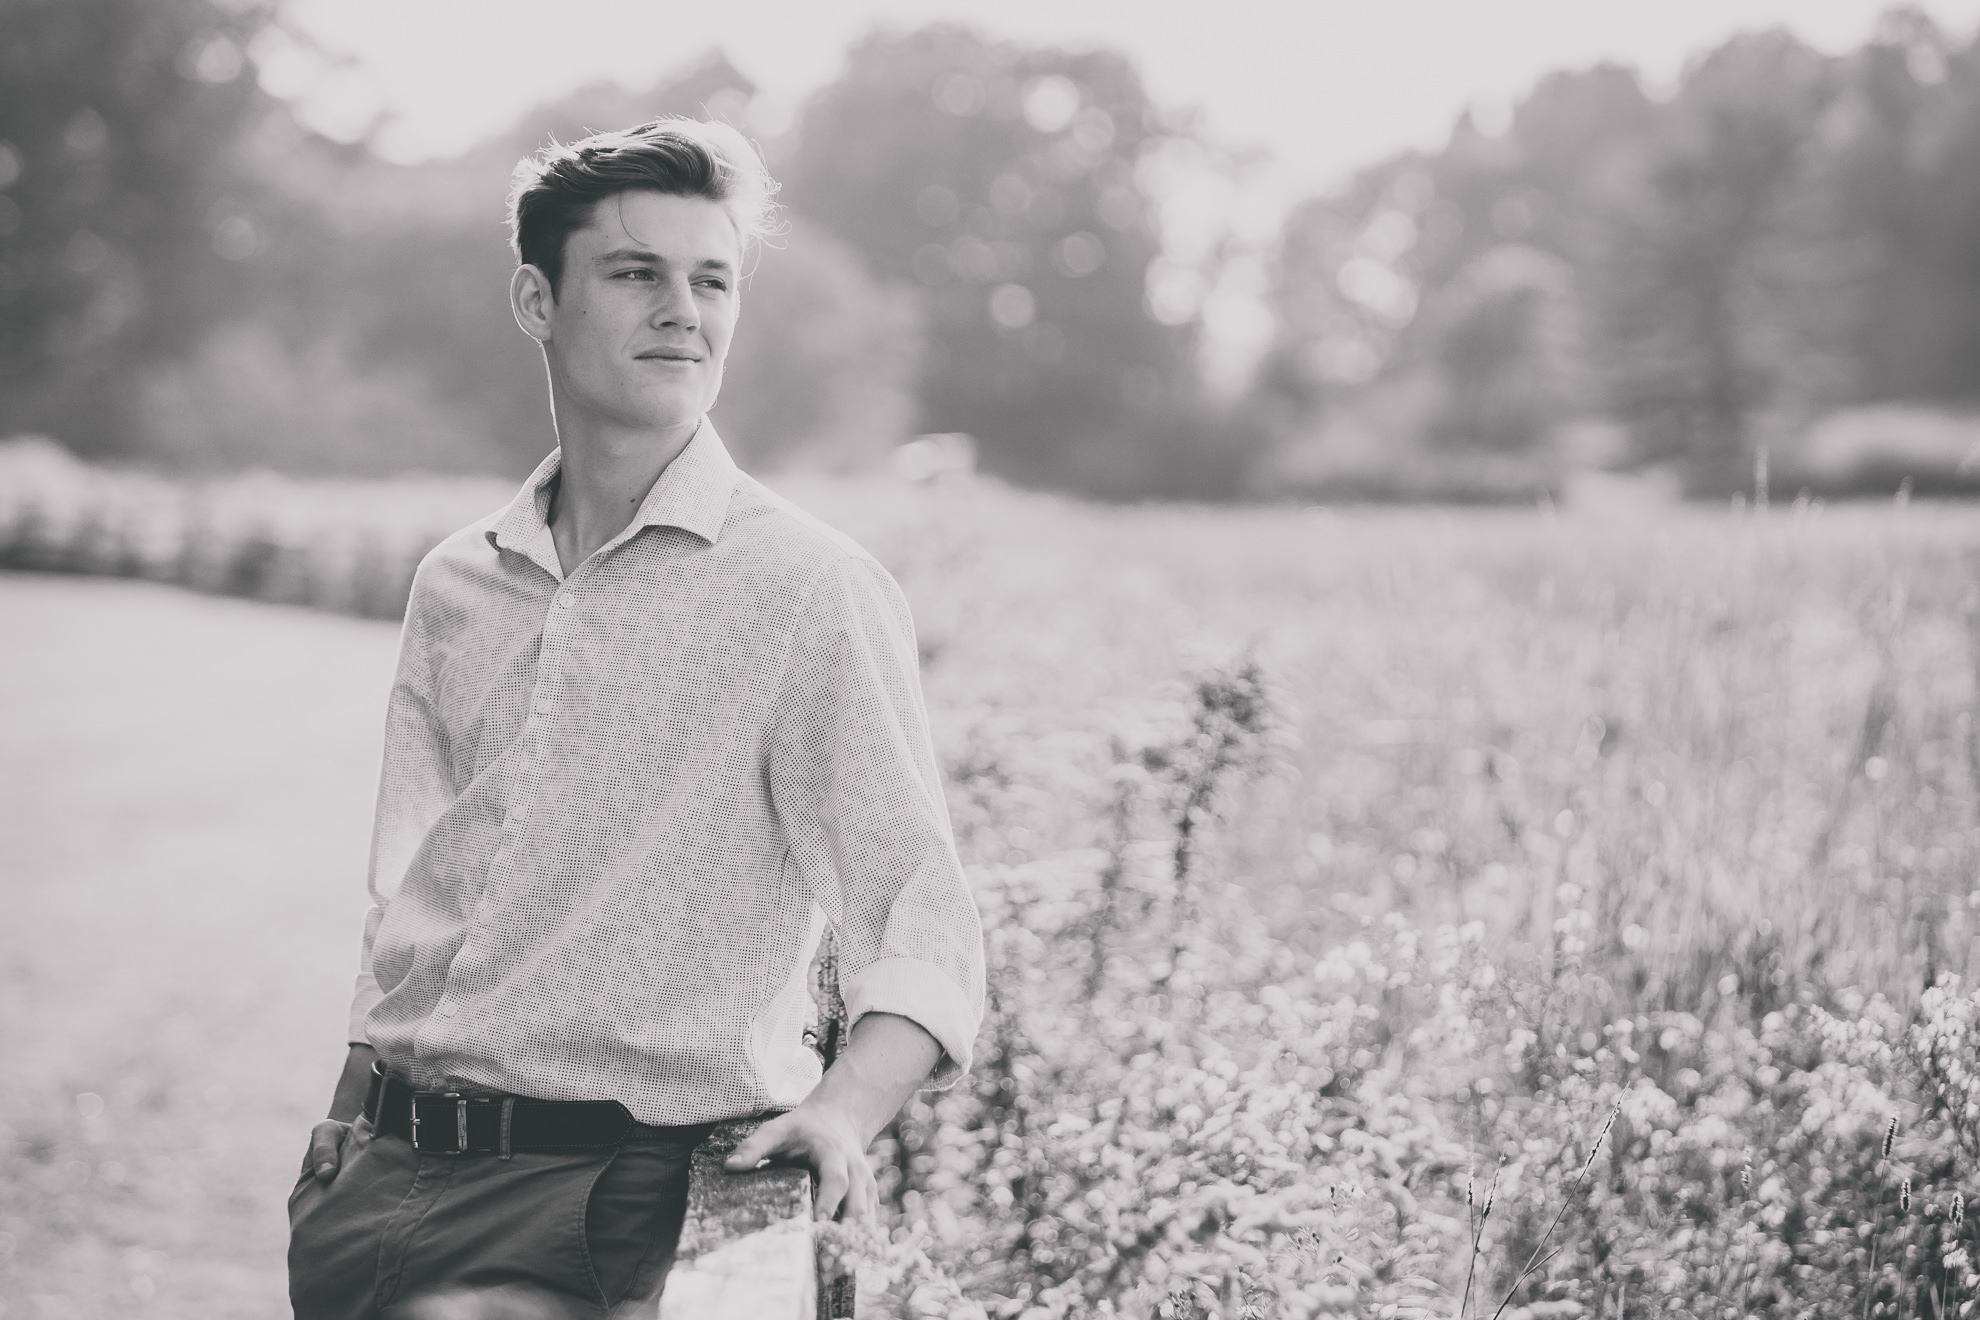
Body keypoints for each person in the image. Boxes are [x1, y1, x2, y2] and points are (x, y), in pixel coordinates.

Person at [286, 117, 986, 1319]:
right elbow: (408, 882)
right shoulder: (459, 581)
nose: (683, 310)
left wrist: (842, 1110)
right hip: (375, 1181)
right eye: (635, 274)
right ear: (535, 299)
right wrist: (350, 1138)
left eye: (711, 280)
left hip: (619, 1205)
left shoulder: (808, 591)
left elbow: (920, 907)